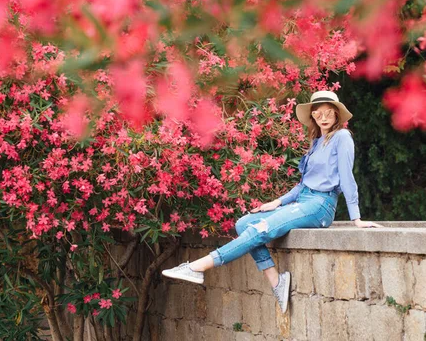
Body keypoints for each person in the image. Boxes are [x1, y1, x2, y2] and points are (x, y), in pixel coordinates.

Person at [161, 90, 384, 313]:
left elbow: (347, 176)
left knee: (262, 229)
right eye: (318, 114)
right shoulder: (316, 142)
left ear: (337, 115)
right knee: (244, 223)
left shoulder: (342, 138)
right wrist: (276, 202)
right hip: (303, 200)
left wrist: (356, 218)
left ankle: (198, 267)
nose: (323, 118)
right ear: (313, 117)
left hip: (320, 205)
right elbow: (303, 185)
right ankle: (277, 281)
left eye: (328, 113)